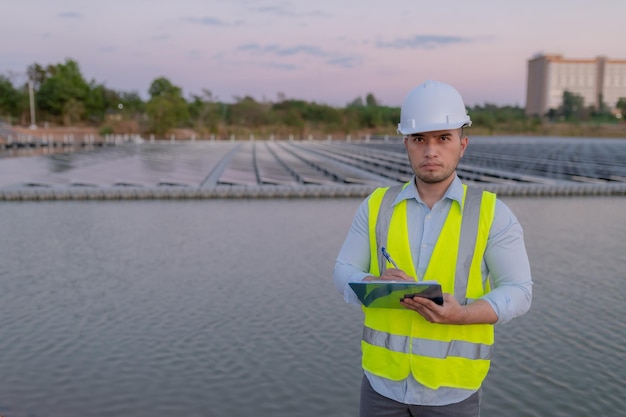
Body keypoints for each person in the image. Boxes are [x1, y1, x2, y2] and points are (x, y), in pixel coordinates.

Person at [333, 80, 532, 417]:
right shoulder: (377, 205)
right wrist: (371, 282)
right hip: (382, 386)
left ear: (462, 144)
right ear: (406, 144)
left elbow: (519, 291)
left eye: (443, 138)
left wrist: (464, 315)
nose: (430, 151)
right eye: (419, 139)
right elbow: (342, 271)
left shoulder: (491, 213)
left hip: (452, 395)